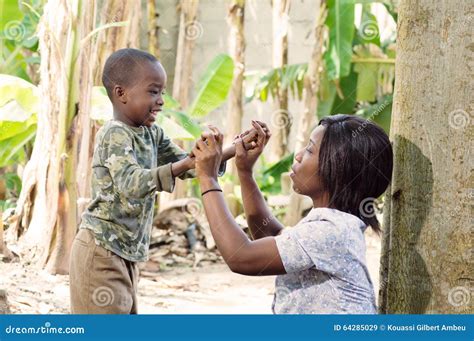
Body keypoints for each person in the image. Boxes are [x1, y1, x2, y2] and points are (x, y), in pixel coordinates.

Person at [69, 48, 261, 314]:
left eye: (162, 92)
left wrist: (231, 149)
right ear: (121, 93)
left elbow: (191, 166)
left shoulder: (152, 133)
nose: (160, 100)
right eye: (153, 91)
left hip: (126, 254)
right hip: (101, 251)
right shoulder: (114, 134)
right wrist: (184, 164)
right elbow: (130, 183)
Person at [192, 115, 393, 314]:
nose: (298, 156)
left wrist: (208, 178)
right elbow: (270, 234)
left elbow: (240, 257)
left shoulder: (331, 231)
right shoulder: (333, 225)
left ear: (336, 168)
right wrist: (245, 172)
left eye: (310, 150)